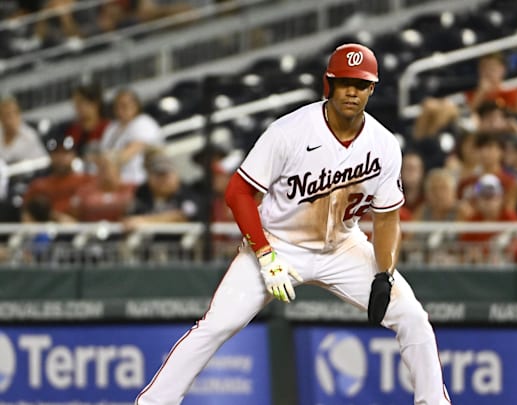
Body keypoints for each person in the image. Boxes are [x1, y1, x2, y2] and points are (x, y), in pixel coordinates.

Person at [135, 43, 452, 405]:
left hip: (343, 246)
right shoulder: (290, 131)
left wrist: (385, 272)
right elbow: (238, 194)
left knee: (412, 316)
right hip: (277, 243)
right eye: (344, 82)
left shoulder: (383, 144)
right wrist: (265, 254)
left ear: (372, 89)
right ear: (327, 85)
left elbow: (387, 217)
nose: (352, 91)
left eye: (361, 84)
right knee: (217, 324)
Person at [101, 88, 164, 185]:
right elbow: (103, 153)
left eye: (125, 105)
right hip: (115, 181)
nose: (120, 110)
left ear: (136, 105)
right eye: (117, 106)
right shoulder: (112, 127)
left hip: (140, 181)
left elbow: (127, 154)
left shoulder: (144, 123)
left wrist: (107, 159)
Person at [0, 96, 47, 164]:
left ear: (19, 115)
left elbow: (42, 162)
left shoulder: (30, 136)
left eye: (12, 114)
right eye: (5, 115)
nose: (9, 120)